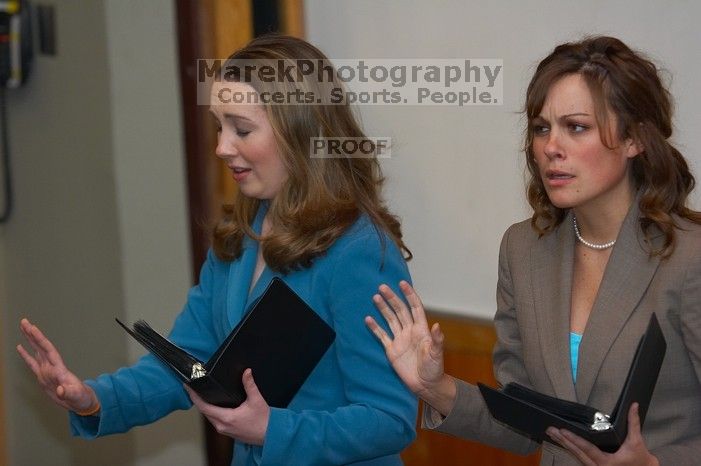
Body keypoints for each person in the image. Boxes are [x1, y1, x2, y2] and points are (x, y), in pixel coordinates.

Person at [17, 34, 417, 466]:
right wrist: (93, 399)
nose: (222, 148)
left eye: (241, 129)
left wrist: (271, 430)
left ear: (301, 133)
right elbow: (190, 364)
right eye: (219, 127)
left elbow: (390, 419)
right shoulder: (240, 234)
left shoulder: (359, 251)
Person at [366, 36, 701, 466]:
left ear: (635, 138)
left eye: (576, 127)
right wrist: (434, 386)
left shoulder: (689, 257)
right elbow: (526, 425)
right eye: (542, 128)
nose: (550, 148)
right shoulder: (523, 249)